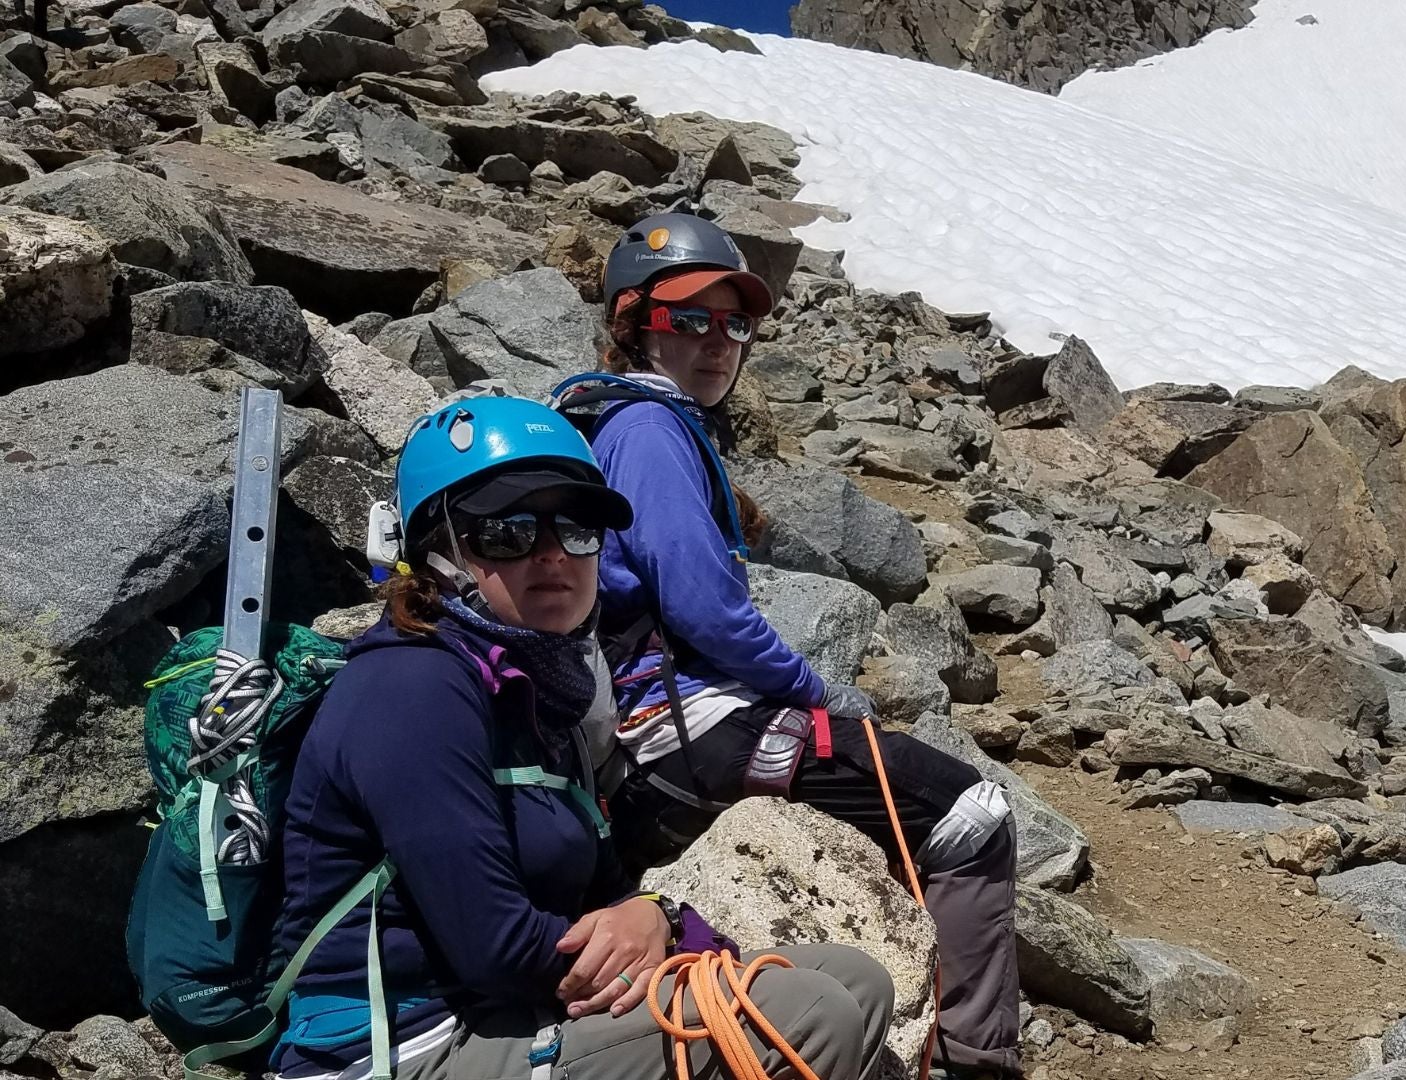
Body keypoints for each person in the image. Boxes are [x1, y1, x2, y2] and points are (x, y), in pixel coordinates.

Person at [271, 395, 894, 1080]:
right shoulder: (413, 691)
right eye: (506, 531)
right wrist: (672, 945)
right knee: (809, 1016)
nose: (554, 555)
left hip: (501, 1009)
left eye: (578, 527)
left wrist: (655, 918)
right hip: (402, 1043)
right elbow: (496, 947)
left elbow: (607, 881)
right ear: (434, 550)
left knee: (858, 982)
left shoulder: (536, 685)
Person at [553, 212, 1021, 1079]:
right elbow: (705, 610)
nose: (718, 342)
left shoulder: (614, 420)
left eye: (735, 323)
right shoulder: (652, 432)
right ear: (632, 324)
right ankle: (978, 1065)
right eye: (688, 320)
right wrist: (815, 688)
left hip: (648, 726)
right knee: (973, 816)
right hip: (691, 726)